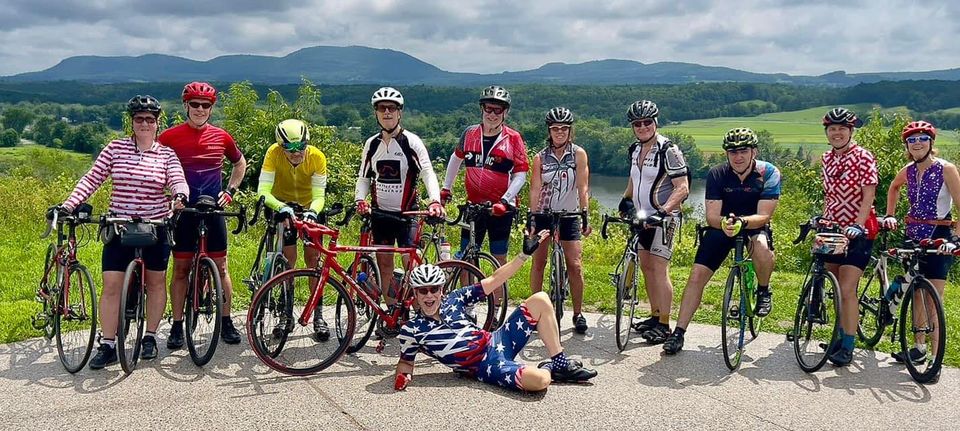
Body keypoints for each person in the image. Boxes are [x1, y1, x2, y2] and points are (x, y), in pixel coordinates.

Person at [55, 95, 188, 368]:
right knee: (112, 286)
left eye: (150, 120)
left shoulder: (166, 154)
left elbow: (177, 178)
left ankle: (150, 336)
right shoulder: (115, 149)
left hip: (155, 226)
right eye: (139, 119)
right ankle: (108, 343)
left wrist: (180, 196)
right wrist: (70, 204)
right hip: (119, 225)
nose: (144, 124)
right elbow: (92, 178)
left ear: (157, 123)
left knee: (155, 283)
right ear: (132, 122)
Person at [394, 230, 598, 392]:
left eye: (434, 289)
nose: (429, 296)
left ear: (441, 289)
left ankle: (559, 362)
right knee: (541, 380)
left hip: (497, 339)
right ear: (415, 293)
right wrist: (404, 376)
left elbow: (495, 280)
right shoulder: (412, 330)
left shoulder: (454, 299)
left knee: (541, 299)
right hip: (486, 365)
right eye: (423, 291)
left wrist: (524, 255)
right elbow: (405, 362)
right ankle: (549, 368)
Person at [663, 128, 781, 354]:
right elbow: (712, 216)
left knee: (762, 248)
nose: (738, 157)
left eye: (743, 151)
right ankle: (678, 332)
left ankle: (763, 291)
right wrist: (726, 223)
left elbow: (765, 215)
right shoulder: (717, 173)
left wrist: (743, 222)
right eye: (732, 152)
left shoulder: (769, 172)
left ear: (753, 151)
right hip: (722, 226)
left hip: (753, 225)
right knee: (696, 276)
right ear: (726, 154)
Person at [159, 81, 247, 349]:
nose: (199, 109)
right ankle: (176, 325)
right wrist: (167, 194)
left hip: (213, 210)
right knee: (181, 269)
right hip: (183, 211)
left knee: (221, 268)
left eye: (205, 105)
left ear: (211, 108)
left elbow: (239, 162)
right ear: (186, 105)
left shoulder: (221, 136)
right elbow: (154, 165)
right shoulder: (169, 137)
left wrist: (230, 191)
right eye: (194, 104)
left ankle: (227, 320)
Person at [355, 87, 443, 311]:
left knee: (412, 264)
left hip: (407, 215)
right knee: (385, 264)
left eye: (391, 108)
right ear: (376, 112)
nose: (387, 112)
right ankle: (392, 311)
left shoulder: (411, 142)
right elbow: (364, 177)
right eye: (382, 108)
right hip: (380, 214)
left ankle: (422, 311)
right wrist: (360, 200)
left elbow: (427, 173)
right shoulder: (371, 144)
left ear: (399, 112)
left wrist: (434, 200)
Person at [880, 120, 960, 364]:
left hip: (939, 234)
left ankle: (936, 357)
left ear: (931, 142)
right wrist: (890, 214)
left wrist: (957, 238)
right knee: (916, 292)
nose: (917, 143)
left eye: (922, 138)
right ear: (906, 145)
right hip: (913, 233)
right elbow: (893, 187)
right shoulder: (908, 170)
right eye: (911, 140)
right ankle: (918, 348)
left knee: (933, 297)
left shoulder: (946, 168)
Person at [617, 100, 690, 344]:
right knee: (646, 266)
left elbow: (682, 188)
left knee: (659, 268)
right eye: (637, 123)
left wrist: (664, 211)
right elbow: (634, 179)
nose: (642, 127)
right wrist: (625, 200)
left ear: (655, 122)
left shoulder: (668, 150)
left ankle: (665, 324)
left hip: (663, 220)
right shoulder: (635, 149)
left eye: (647, 122)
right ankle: (654, 314)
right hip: (642, 219)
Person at [441, 85, 529, 266]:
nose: (492, 114)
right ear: (482, 109)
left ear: (505, 112)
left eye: (498, 110)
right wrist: (445, 189)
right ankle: (469, 294)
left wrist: (505, 201)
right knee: (466, 258)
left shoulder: (513, 138)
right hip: (473, 207)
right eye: (489, 108)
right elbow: (455, 159)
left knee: (499, 258)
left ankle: (498, 295)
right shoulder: (469, 133)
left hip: (500, 208)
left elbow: (520, 175)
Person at [257, 119, 329, 339]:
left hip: (310, 207)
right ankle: (285, 315)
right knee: (289, 263)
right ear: (281, 147)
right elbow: (263, 191)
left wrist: (312, 213)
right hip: (281, 205)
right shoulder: (273, 154)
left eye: (301, 147)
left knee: (313, 261)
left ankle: (318, 315)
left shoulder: (317, 157)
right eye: (290, 148)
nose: (297, 152)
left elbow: (319, 196)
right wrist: (281, 207)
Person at [818, 107, 878, 366]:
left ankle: (849, 344)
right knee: (833, 283)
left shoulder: (863, 157)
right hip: (832, 228)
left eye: (842, 129)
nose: (837, 133)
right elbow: (829, 196)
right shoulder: (826, 158)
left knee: (846, 287)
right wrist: (822, 219)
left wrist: (858, 224)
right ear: (827, 133)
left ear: (851, 131)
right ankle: (839, 336)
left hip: (859, 230)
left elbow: (869, 196)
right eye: (832, 129)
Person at [528, 107, 591, 334]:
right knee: (539, 263)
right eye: (555, 129)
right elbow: (535, 189)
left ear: (570, 130)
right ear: (549, 131)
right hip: (545, 214)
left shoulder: (579, 154)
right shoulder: (540, 158)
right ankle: (532, 312)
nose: (560, 132)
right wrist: (532, 217)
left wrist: (585, 213)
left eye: (564, 128)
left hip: (569, 214)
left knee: (575, 265)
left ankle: (578, 313)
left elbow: (583, 186)